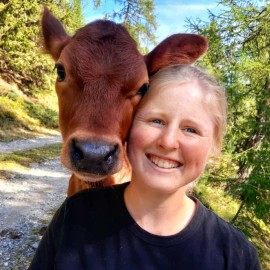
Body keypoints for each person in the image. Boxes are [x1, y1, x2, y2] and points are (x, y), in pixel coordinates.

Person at [29, 65, 261, 270]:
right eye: (156, 121)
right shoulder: (75, 216)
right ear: (128, 127)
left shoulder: (236, 257)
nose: (168, 141)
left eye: (191, 129)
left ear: (214, 146)